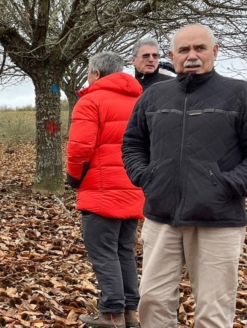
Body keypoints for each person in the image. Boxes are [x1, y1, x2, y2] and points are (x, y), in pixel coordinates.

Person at [123, 24, 247, 328]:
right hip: (162, 216)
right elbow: (133, 143)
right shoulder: (153, 97)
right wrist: (146, 176)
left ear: (214, 51)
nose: (192, 55)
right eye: (184, 50)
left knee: (213, 310)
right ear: (172, 56)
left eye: (200, 48)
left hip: (217, 218)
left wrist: (227, 184)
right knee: (152, 300)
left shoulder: (239, 94)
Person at [67, 52, 144, 328]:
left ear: (96, 73)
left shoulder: (90, 102)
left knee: (103, 252)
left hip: (101, 191)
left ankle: (111, 313)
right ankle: (130, 313)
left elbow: (79, 148)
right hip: (133, 188)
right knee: (124, 251)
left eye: (89, 72)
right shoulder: (140, 100)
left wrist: (74, 179)